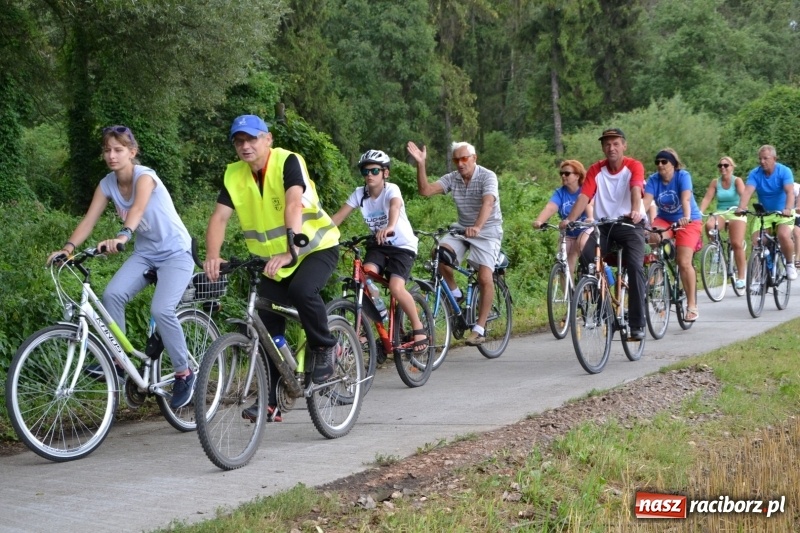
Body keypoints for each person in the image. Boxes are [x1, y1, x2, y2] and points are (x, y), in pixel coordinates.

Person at [46, 125, 196, 409]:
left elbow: (137, 210)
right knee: (112, 295)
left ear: (132, 152)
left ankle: (184, 372)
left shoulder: (145, 177)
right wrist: (67, 249)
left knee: (161, 309)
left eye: (118, 150)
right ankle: (118, 361)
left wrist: (122, 236)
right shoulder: (107, 184)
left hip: (177, 253)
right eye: (107, 150)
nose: (112, 156)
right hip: (146, 253)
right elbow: (89, 220)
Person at [203, 115, 340, 423]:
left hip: (314, 247)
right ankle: (275, 398)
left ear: (268, 139)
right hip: (273, 260)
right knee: (265, 325)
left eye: (251, 139)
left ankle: (325, 345)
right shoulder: (234, 175)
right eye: (239, 141)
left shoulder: (288, 161)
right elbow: (219, 217)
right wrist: (213, 254)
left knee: (303, 291)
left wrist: (290, 250)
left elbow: (293, 204)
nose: (245, 146)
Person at [406, 140, 503, 346]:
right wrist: (421, 164)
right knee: (439, 255)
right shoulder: (454, 178)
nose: (460, 163)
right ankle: (456, 294)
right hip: (461, 229)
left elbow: (488, 202)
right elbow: (425, 191)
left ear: (474, 158)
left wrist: (477, 226)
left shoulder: (487, 176)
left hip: (487, 231)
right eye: (456, 159)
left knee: (485, 276)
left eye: (464, 158)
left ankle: (480, 327)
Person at [330, 150, 428, 351]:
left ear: (385, 173)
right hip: (379, 244)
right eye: (365, 171)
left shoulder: (392, 189)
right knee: (364, 275)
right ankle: (378, 312)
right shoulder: (360, 193)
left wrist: (391, 226)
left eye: (375, 170)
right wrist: (317, 235)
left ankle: (419, 327)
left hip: (402, 246)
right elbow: (337, 218)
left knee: (396, 287)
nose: (369, 175)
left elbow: (394, 207)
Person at [562, 127, 648, 341]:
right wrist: (571, 220)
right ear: (602, 147)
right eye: (607, 144)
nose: (611, 148)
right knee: (587, 256)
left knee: (635, 267)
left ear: (624, 145)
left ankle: (637, 323)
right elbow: (584, 196)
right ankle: (605, 311)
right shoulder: (595, 170)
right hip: (605, 225)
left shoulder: (633, 166)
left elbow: (636, 188)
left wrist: (635, 211)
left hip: (630, 224)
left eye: (616, 143)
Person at [643, 148, 703, 322]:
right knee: (653, 235)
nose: (660, 165)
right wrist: (636, 215)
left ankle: (691, 305)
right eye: (657, 162)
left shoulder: (683, 176)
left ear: (674, 164)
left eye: (664, 162)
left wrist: (685, 216)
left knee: (684, 262)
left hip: (688, 220)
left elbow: (685, 199)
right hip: (665, 219)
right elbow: (646, 201)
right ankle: (660, 270)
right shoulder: (654, 180)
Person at [735, 145, 797, 281]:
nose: (762, 161)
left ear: (774, 159)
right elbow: (747, 192)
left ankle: (789, 263)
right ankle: (759, 277)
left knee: (783, 235)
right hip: (764, 214)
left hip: (782, 214)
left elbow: (790, 192)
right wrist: (741, 207)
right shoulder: (755, 174)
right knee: (757, 243)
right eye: (760, 159)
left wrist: (787, 208)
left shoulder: (784, 171)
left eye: (766, 158)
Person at [532, 160, 594, 276]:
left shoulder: (585, 189)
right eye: (561, 173)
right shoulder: (560, 193)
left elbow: (589, 204)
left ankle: (593, 273)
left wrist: (590, 218)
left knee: (582, 244)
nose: (563, 176)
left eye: (567, 173)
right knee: (563, 264)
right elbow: (550, 207)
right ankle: (568, 293)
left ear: (577, 175)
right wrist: (539, 221)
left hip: (585, 229)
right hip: (569, 232)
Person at [698, 156, 747, 290]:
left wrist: (742, 208)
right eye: (720, 166)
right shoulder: (715, 182)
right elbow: (708, 198)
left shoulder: (737, 181)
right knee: (709, 225)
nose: (723, 168)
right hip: (721, 212)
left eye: (726, 165)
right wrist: (699, 212)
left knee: (736, 243)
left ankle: (742, 277)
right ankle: (716, 251)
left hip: (736, 211)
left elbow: (744, 195)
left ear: (732, 167)